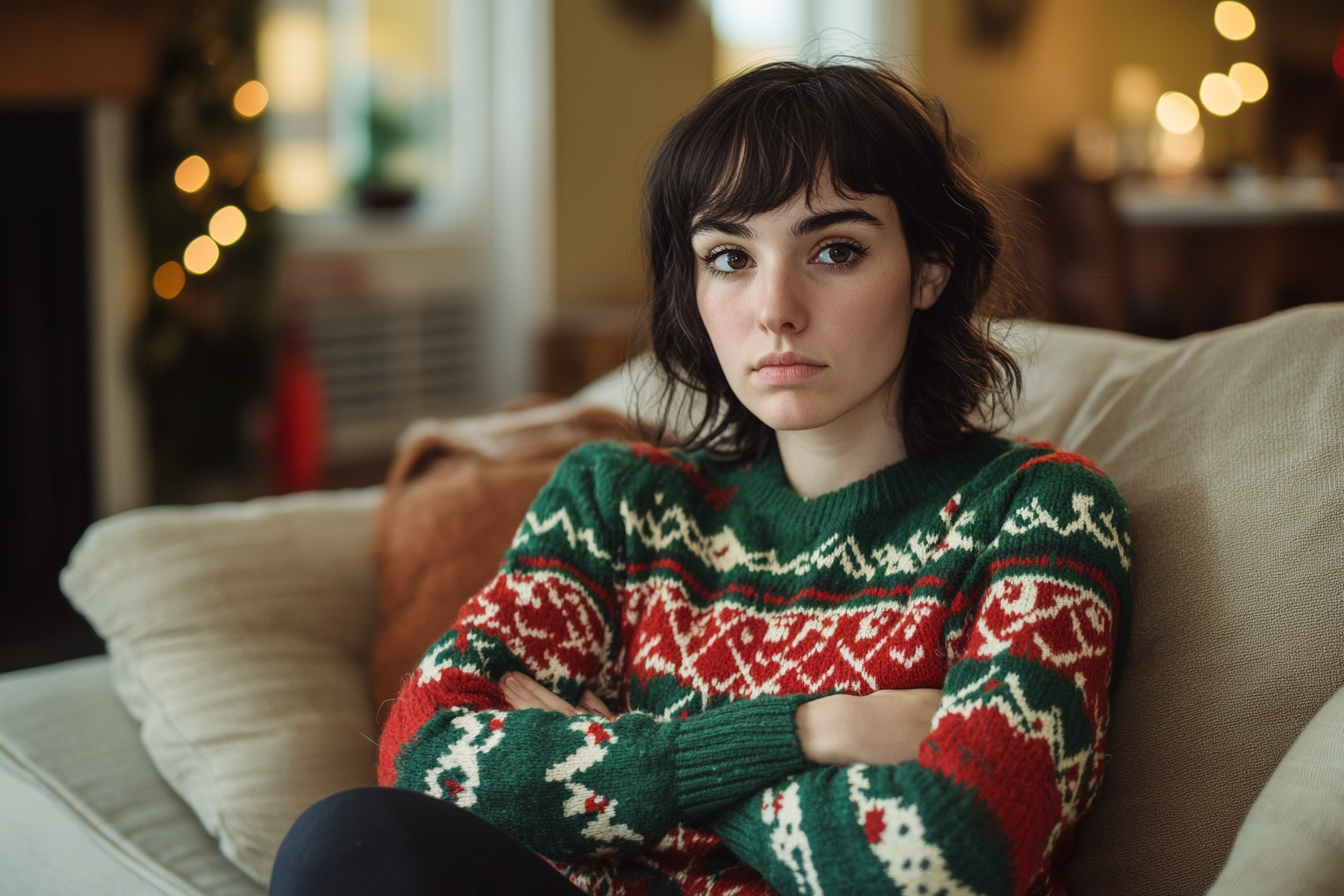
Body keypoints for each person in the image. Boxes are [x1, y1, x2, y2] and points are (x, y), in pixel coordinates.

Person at [271, 61, 1133, 896]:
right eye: (729, 257)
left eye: (834, 250)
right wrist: (813, 730)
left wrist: (626, 759)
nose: (774, 309)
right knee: (346, 842)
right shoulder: (618, 503)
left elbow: (944, 860)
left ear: (930, 269)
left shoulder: (1041, 511)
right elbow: (427, 755)